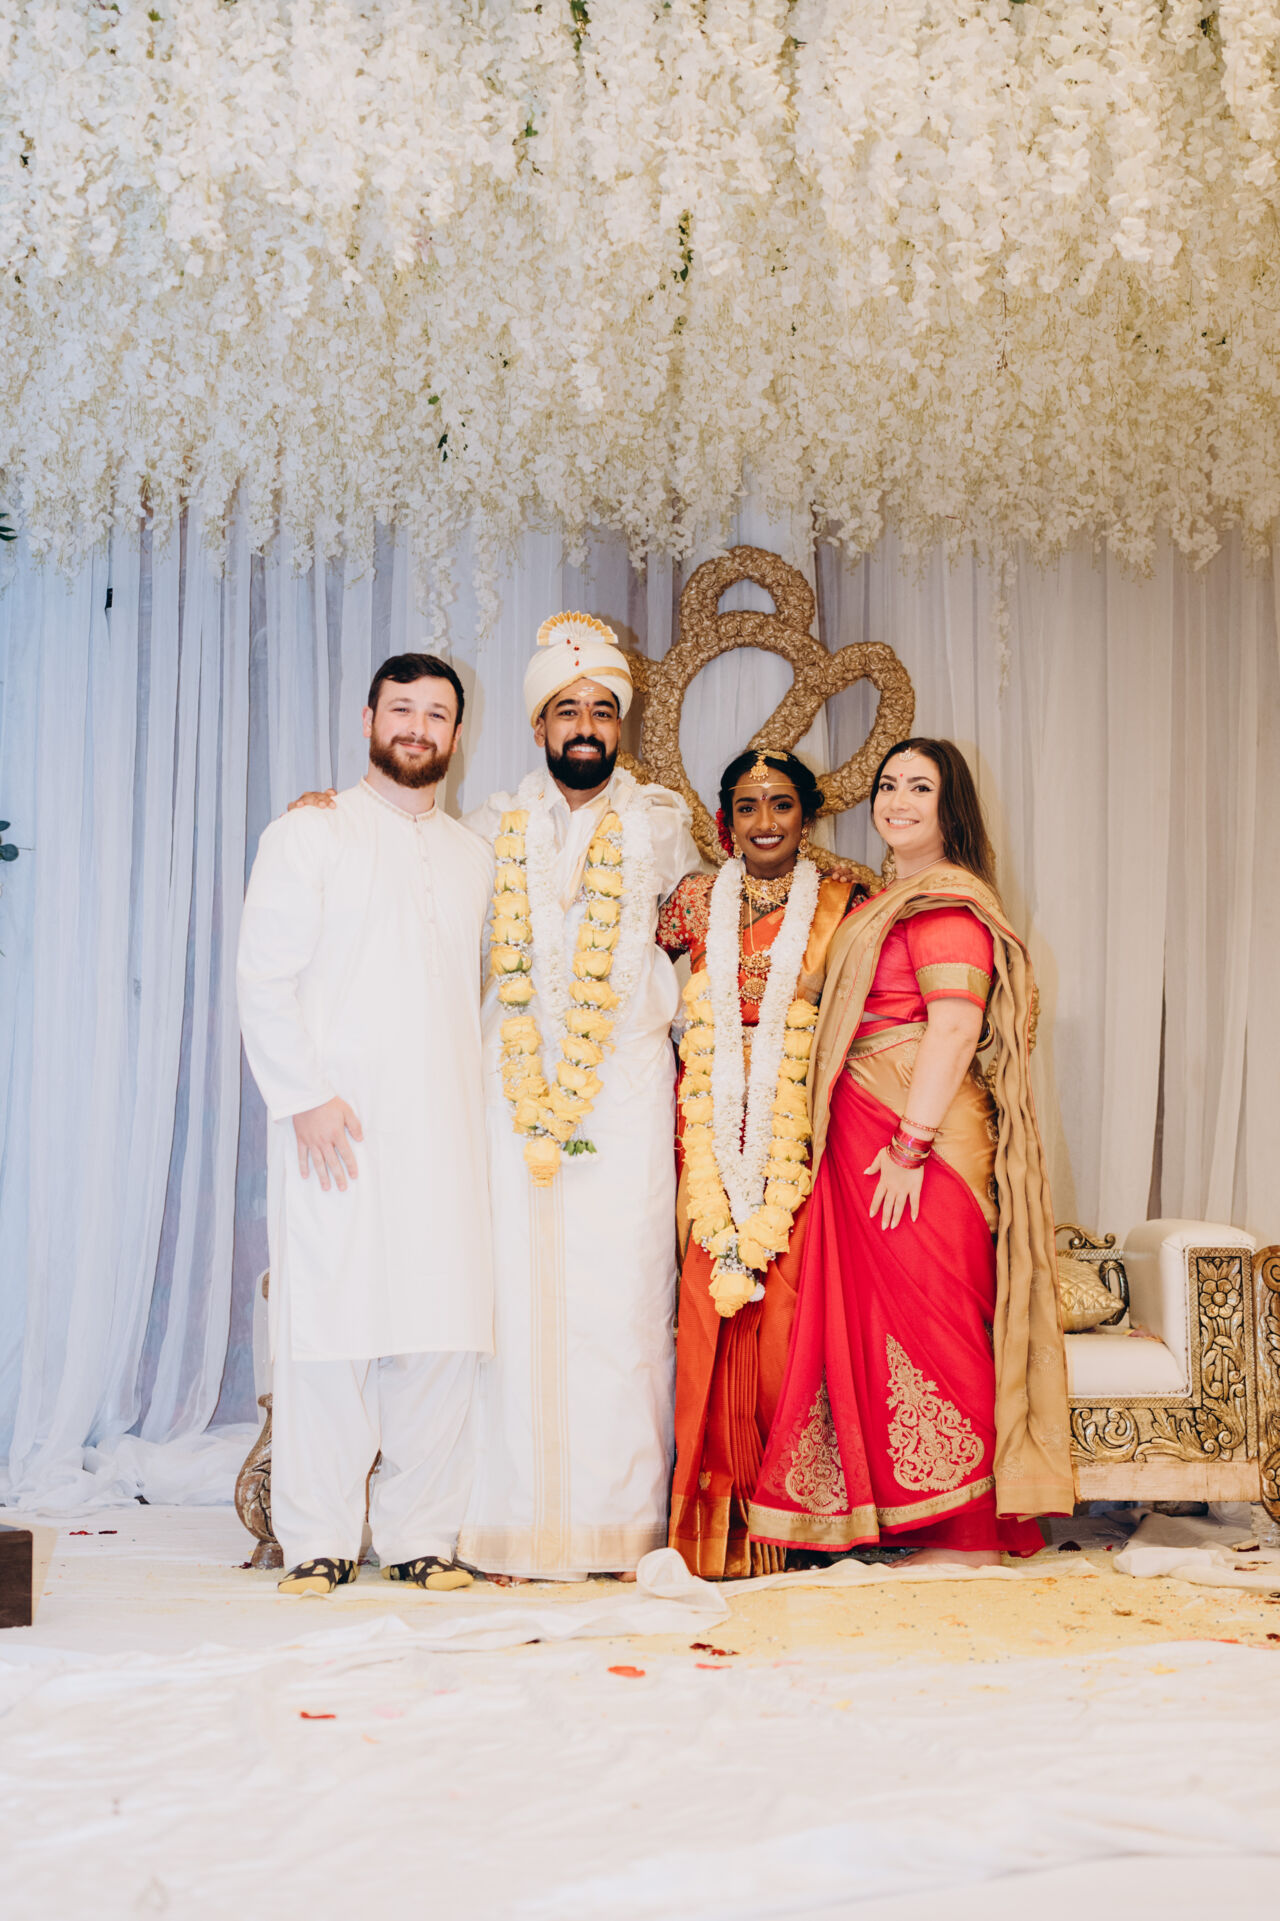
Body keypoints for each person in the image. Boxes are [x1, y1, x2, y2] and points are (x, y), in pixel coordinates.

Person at [748, 738, 1074, 1563]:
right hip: (870, 1134)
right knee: (886, 1325)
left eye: (919, 788)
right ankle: (916, 1516)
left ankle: (968, 1531)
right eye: (888, 784)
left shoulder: (947, 905)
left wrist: (910, 1146)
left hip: (917, 1144)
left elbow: (956, 1027)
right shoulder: (891, 897)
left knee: (937, 1319)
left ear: (948, 805)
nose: (897, 800)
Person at [237, 654, 493, 1596]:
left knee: (439, 1327)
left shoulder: (472, 855)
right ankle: (320, 1537)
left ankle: (421, 1535)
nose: (418, 727)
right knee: (330, 1327)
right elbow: (263, 975)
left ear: (457, 733)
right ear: (367, 719)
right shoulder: (310, 832)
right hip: (334, 1127)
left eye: (436, 713)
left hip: (447, 1129)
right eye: (402, 709)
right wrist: (303, 1096)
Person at [456, 613, 701, 1581]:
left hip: (625, 1089)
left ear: (619, 722)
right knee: (513, 1301)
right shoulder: (489, 828)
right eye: (568, 710)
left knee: (623, 1302)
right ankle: (509, 1523)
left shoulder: (662, 824)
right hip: (509, 1094)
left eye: (602, 708)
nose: (587, 725)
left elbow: (713, 930)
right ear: (538, 726)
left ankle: (618, 1526)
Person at [657, 750, 861, 1577]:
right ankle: (710, 1526)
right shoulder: (692, 900)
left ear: (806, 816)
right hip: (705, 1126)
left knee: (786, 1316)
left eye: (781, 804)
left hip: (797, 1132)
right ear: (725, 820)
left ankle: (793, 1521)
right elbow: (629, 982)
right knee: (707, 1310)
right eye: (748, 806)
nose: (765, 822)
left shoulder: (845, 902)